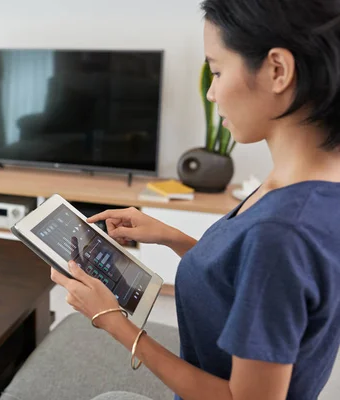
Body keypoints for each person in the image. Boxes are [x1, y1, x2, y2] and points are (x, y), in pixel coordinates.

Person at [50, 0, 340, 399]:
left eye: (218, 71)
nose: (211, 92)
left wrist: (114, 322)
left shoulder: (282, 233)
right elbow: (254, 287)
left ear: (278, 70)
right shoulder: (309, 184)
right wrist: (172, 236)